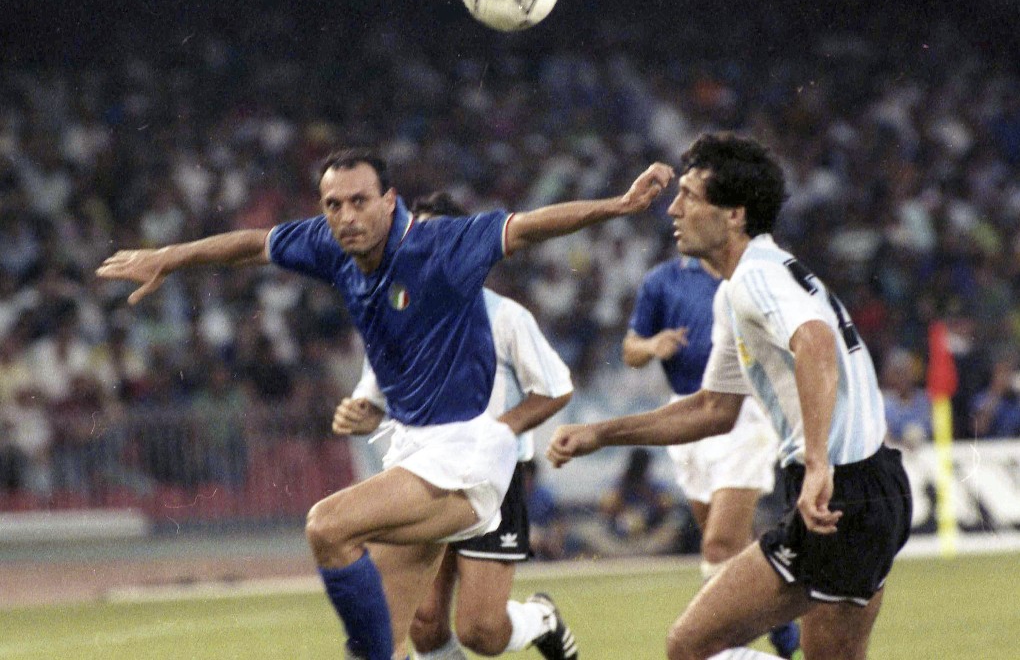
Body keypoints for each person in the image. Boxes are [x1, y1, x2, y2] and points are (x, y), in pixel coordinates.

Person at [97, 147, 673, 660]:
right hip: (413, 452)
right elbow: (252, 245)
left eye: (359, 201)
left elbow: (528, 228)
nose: (346, 216)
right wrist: (168, 258)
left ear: (389, 200)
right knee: (402, 640)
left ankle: (531, 619)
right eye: (332, 204)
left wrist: (617, 207)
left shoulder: (440, 245)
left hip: (470, 455)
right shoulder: (332, 245)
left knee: (330, 527)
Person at [547, 133, 912, 660]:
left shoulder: (754, 280)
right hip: (869, 485)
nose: (673, 208)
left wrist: (816, 464)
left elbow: (815, 342)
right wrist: (601, 433)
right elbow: (713, 410)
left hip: (843, 493)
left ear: (735, 215)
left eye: (691, 196)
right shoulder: (745, 285)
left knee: (692, 645)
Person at [331, 192, 576, 660]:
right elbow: (373, 396)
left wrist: (498, 433)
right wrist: (360, 413)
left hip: (491, 481)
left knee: (481, 632)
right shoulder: (392, 316)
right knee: (422, 625)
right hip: (423, 475)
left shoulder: (505, 316)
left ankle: (540, 617)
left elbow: (556, 387)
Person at [623, 249, 800, 658]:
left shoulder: (744, 273)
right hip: (686, 418)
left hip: (741, 413)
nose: (678, 214)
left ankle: (709, 645)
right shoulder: (661, 281)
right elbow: (629, 349)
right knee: (728, 546)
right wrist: (651, 346)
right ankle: (782, 618)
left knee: (718, 547)